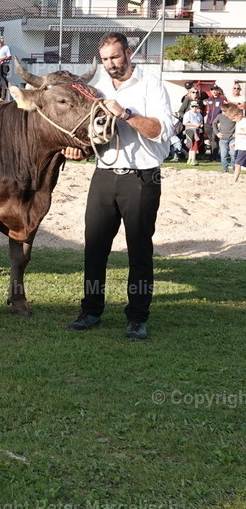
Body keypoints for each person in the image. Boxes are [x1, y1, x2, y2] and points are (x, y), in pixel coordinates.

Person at [64, 33, 173, 341]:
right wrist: (77, 150)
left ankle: (137, 317)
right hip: (104, 174)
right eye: (105, 59)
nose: (110, 64)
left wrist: (125, 114)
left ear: (128, 53)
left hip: (142, 176)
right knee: (94, 248)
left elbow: (159, 131)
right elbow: (90, 136)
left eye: (114, 56)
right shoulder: (95, 89)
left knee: (139, 250)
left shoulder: (151, 85)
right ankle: (91, 310)